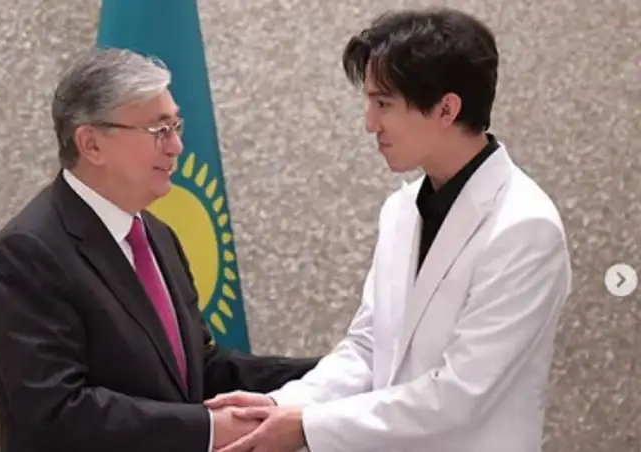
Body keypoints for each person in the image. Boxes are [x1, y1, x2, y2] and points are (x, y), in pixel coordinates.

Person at [205, 7, 572, 452]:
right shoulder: (401, 210)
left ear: (446, 109)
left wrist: (307, 426)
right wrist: (280, 405)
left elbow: (460, 395)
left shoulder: (525, 228)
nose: (369, 123)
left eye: (383, 104)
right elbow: (367, 348)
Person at [0, 48, 319, 452]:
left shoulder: (157, 234)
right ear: (92, 144)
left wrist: (335, 374)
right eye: (159, 130)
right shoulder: (29, 252)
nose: (176, 146)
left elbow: (197, 371)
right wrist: (210, 429)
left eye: (176, 126)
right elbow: (57, 413)